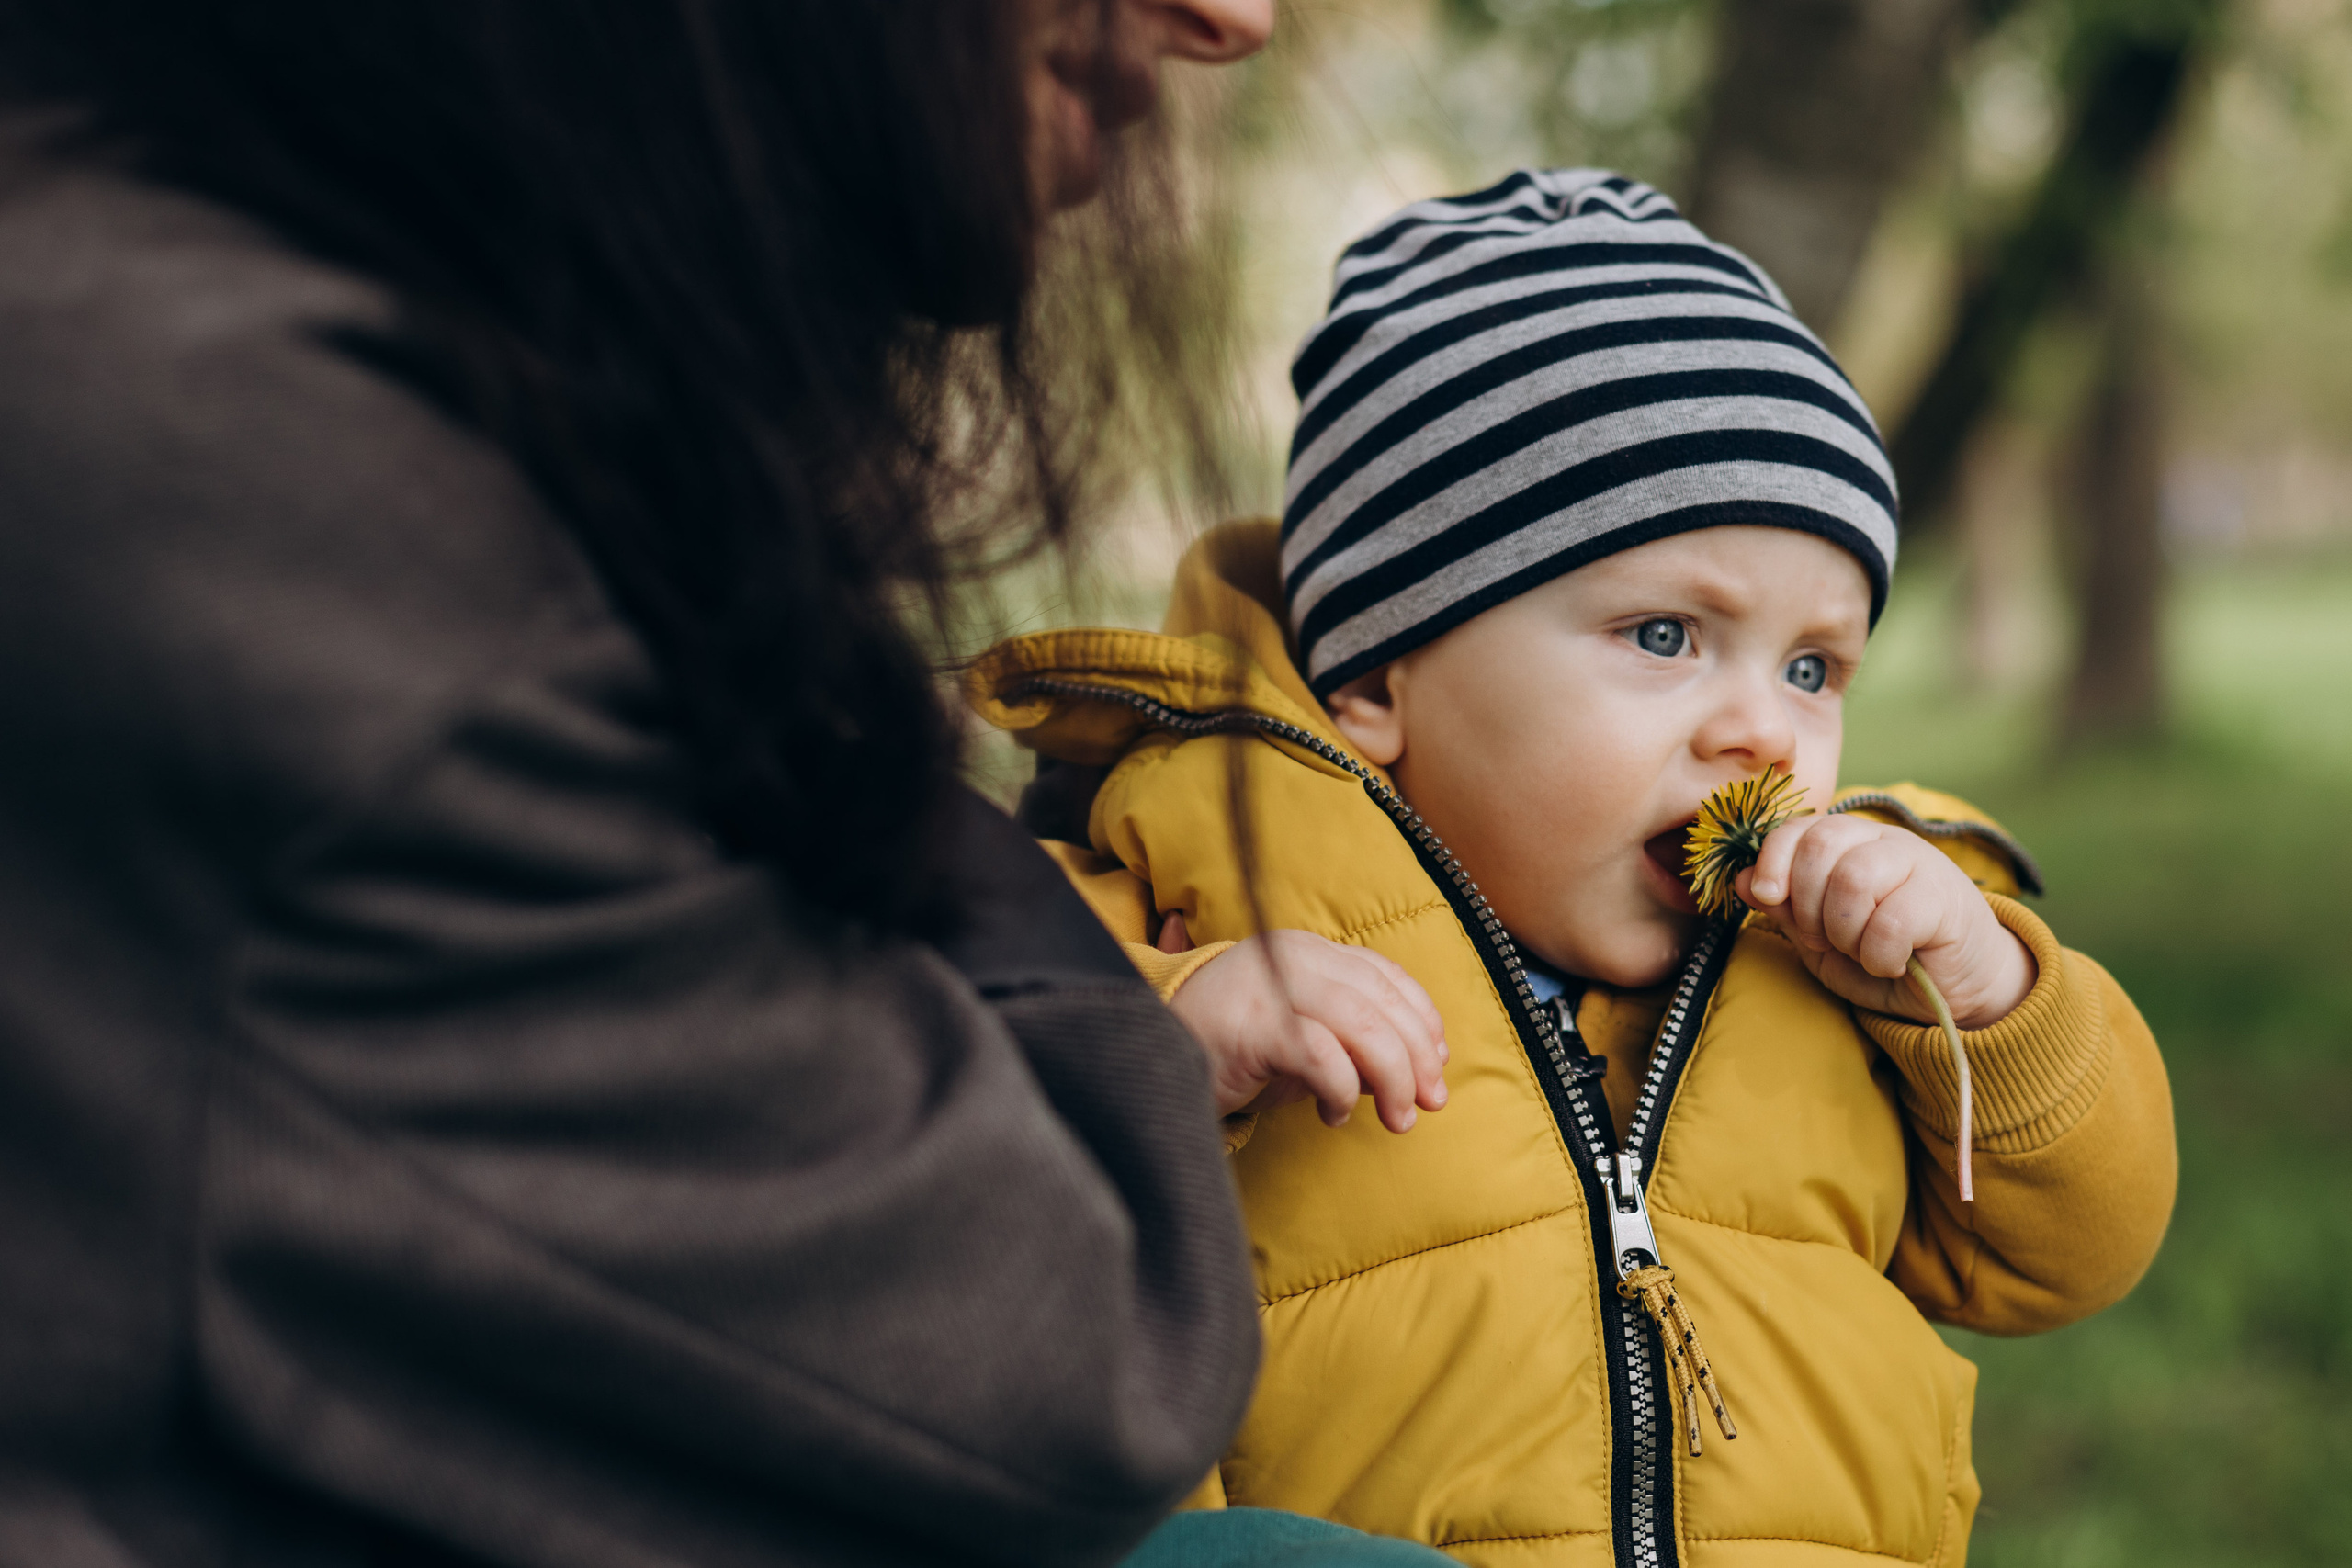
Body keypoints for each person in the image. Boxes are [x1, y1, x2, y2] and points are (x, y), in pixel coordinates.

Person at [0, 4, 1472, 1566]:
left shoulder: (154, 301)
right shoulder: (268, 498)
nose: (1230, 18)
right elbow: (1079, 1364)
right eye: (1654, 637)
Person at [968, 169, 2178, 1566]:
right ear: (1377, 677)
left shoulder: (1856, 964)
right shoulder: (1187, 884)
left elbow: (2081, 1246)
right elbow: (943, 1182)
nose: (1760, 731)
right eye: (1665, 636)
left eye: (1813, 667)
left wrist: (1983, 1005)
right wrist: (1168, 1042)